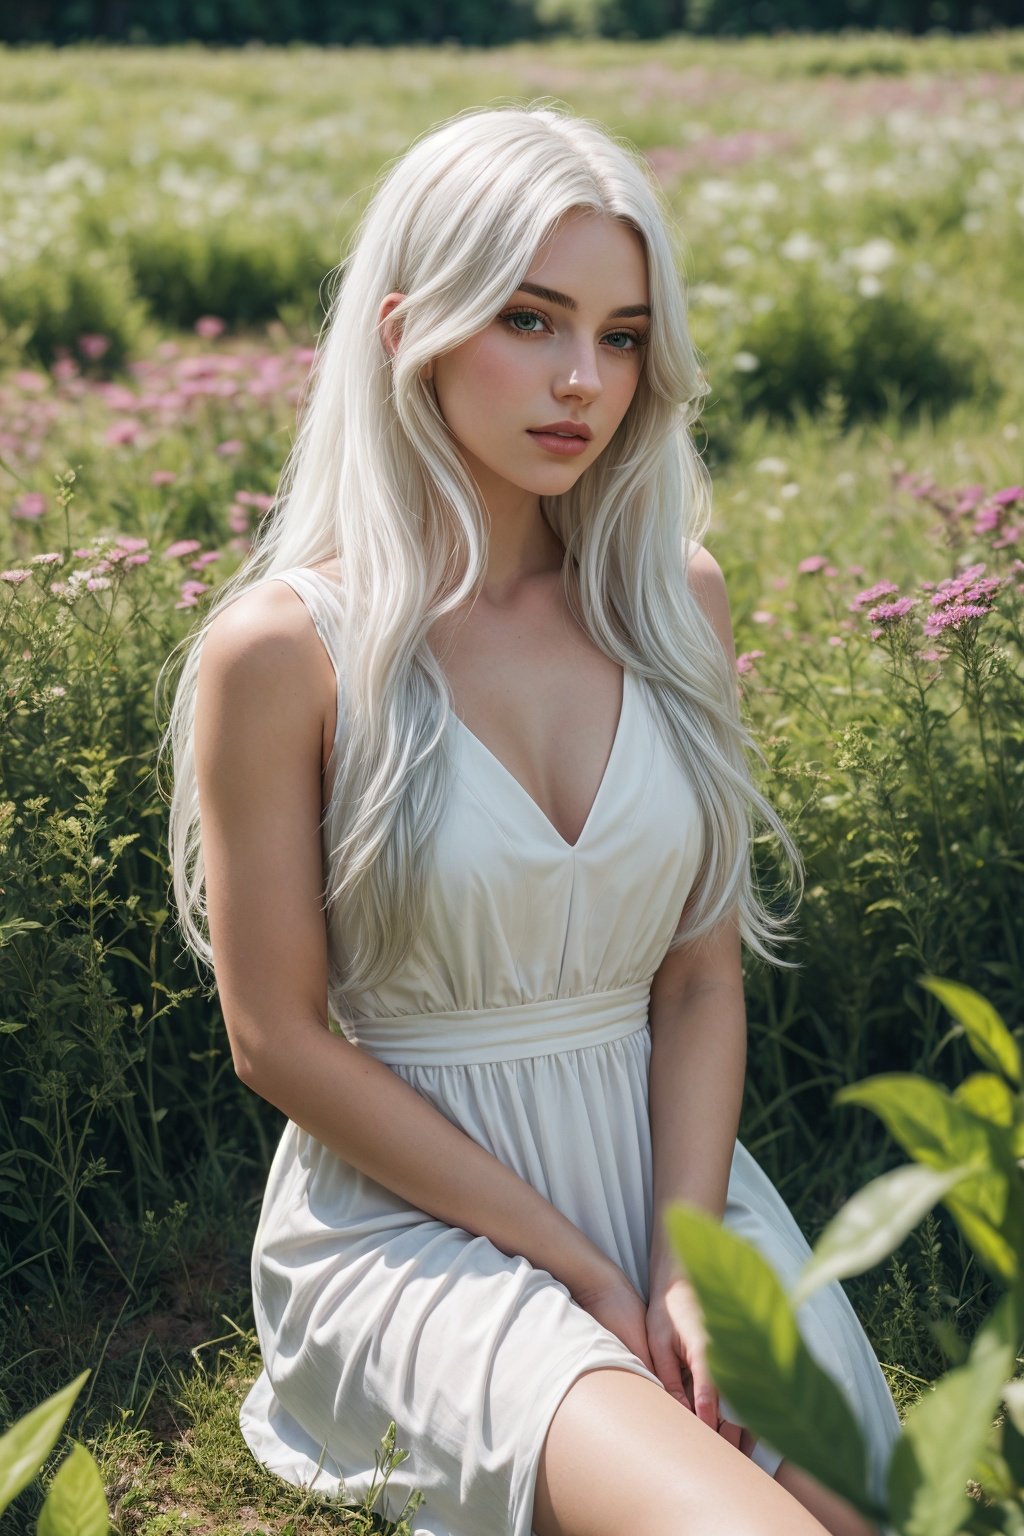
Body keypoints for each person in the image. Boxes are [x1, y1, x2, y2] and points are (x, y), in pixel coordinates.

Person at [165, 103, 902, 1536]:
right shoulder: (287, 650)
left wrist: (681, 1257)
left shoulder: (673, 602)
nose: (583, 381)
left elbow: (694, 980)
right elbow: (278, 1040)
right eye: (530, 319)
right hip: (412, 1221)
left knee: (852, 1511)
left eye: (623, 335)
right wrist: (571, 1263)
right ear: (408, 328)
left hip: (665, 1183)